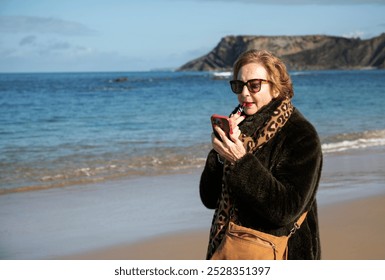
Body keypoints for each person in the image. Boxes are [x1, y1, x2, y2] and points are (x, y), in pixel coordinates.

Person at [199, 49, 323, 260]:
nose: (244, 93)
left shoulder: (301, 135)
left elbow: (285, 209)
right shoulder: (238, 126)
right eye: (238, 85)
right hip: (229, 249)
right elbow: (209, 199)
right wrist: (220, 156)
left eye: (254, 85)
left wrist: (240, 160)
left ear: (276, 87)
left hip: (282, 253)